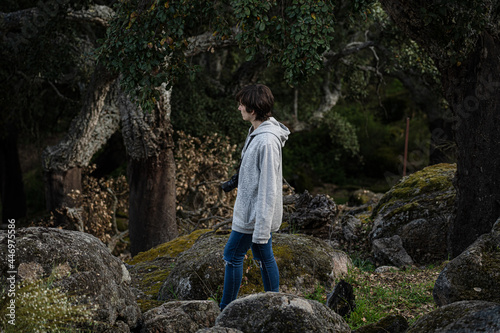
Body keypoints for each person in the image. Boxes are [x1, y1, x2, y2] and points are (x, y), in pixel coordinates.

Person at [219, 84, 290, 311]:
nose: (238, 107)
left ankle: (225, 309)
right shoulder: (256, 133)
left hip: (254, 215)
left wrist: (261, 228)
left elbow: (269, 187)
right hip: (252, 212)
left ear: (253, 109)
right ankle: (275, 304)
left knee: (232, 254)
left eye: (242, 104)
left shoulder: (266, 141)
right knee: (262, 254)